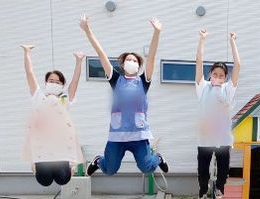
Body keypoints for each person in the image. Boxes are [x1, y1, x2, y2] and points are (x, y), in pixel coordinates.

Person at [78, 14, 169, 177]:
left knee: (147, 167)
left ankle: (158, 158)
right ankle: (98, 160)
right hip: (117, 134)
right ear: (123, 64)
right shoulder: (116, 80)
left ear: (138, 66)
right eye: (129, 59)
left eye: (135, 60)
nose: (132, 62)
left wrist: (157, 32)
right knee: (110, 169)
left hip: (138, 134)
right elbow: (101, 55)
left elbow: (152, 57)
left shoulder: (143, 81)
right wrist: (88, 30)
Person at [21, 44, 84, 186]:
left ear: (62, 85)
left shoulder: (65, 99)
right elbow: (29, 74)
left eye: (58, 82)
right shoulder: (39, 97)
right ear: (46, 83)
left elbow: (75, 81)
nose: (54, 83)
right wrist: (27, 53)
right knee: (45, 181)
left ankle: (68, 167)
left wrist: (79, 61)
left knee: (63, 180)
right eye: (51, 81)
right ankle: (37, 167)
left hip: (61, 148)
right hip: (42, 149)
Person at [195, 29, 240, 199]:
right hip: (205, 137)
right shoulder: (202, 88)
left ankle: (220, 187)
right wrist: (202, 40)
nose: (218, 77)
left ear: (225, 78)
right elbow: (198, 61)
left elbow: (238, 65)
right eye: (215, 74)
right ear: (210, 75)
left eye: (221, 75)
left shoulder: (228, 90)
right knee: (203, 171)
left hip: (222, 137)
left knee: (223, 169)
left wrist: (233, 42)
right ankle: (203, 191)